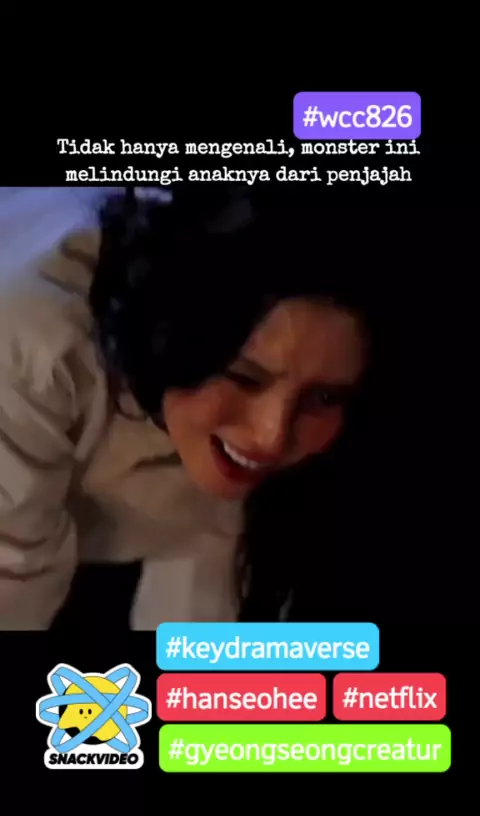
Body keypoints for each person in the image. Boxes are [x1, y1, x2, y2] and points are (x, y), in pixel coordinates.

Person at [0, 187, 386, 631]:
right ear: (169, 332)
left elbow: (200, 621)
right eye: (243, 376)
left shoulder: (253, 443)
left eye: (323, 398)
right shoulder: (36, 340)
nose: (272, 436)